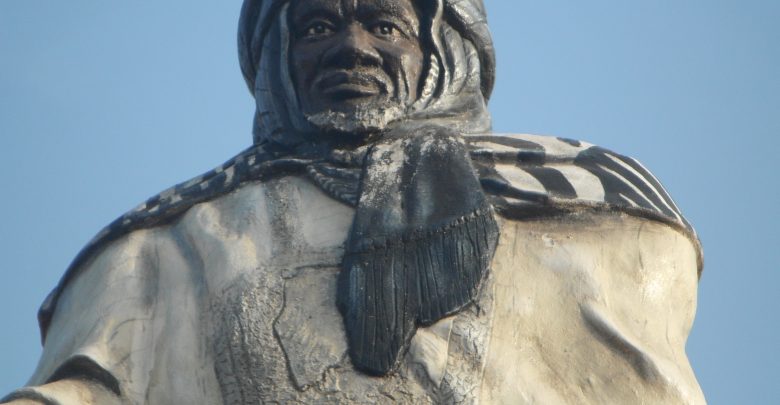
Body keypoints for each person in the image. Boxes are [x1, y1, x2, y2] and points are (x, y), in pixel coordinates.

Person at [2, 0, 705, 403]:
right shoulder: (167, 243)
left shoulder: (586, 206)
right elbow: (83, 389)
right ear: (276, 60)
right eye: (316, 27)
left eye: (384, 25)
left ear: (442, 53)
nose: (351, 48)